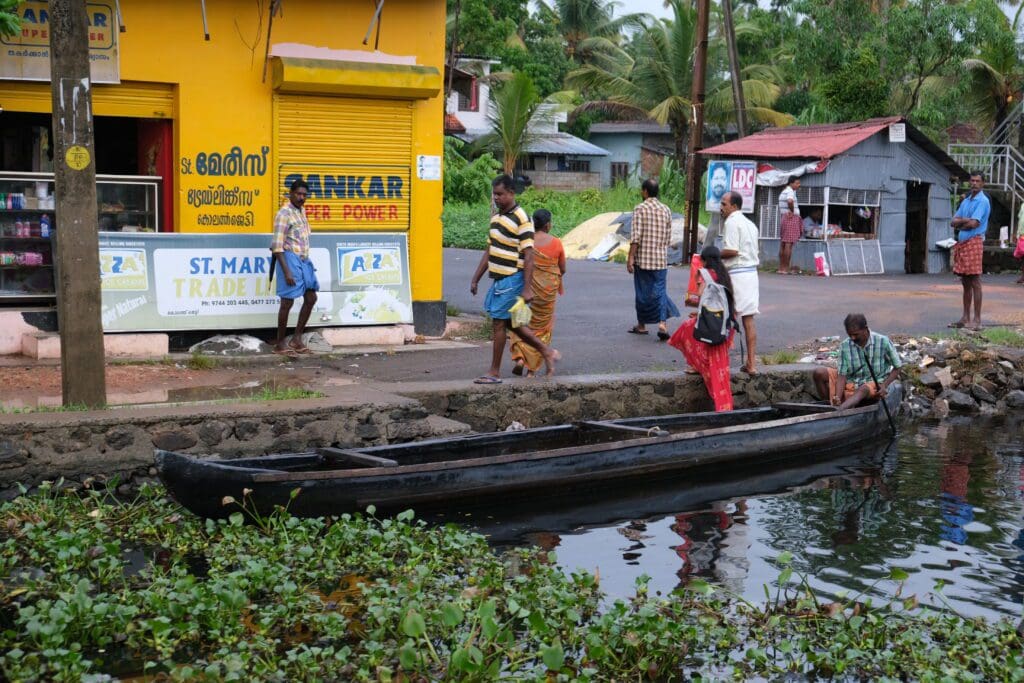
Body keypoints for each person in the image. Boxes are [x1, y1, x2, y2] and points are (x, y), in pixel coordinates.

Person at [470, 174, 559, 383]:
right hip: (499, 279)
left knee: (499, 323)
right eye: (494, 194)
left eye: (500, 194)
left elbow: (529, 255)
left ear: (511, 193)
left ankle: (494, 372)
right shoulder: (496, 219)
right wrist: (476, 278)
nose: (497, 198)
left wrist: (527, 288)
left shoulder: (522, 218)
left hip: (512, 278)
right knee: (513, 324)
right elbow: (490, 249)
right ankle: (546, 351)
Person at [668, 245, 736, 411]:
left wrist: (697, 314)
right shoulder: (725, 275)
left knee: (685, 329)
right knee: (719, 372)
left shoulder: (704, 275)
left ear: (704, 261)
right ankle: (725, 407)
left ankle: (695, 365)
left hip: (710, 327)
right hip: (726, 328)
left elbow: (699, 299)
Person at [509, 208, 566, 377]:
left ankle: (520, 357)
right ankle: (531, 370)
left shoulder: (527, 242)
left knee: (521, 323)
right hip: (547, 293)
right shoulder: (556, 243)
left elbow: (519, 265)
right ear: (548, 225)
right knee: (542, 329)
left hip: (527, 290)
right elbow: (562, 268)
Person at [627, 178, 680, 341]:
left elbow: (636, 237)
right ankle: (662, 324)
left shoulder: (640, 209)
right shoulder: (666, 210)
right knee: (659, 292)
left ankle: (642, 325)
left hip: (643, 260)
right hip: (660, 260)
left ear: (645, 191)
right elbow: (667, 237)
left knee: (642, 293)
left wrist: (630, 257)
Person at [812, 313, 901, 410]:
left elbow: (898, 367)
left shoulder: (883, 341)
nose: (853, 338)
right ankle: (830, 406)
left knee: (863, 389)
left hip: (874, 382)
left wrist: (884, 385)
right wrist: (837, 396)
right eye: (850, 335)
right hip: (852, 380)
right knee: (819, 373)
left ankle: (838, 411)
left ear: (865, 329)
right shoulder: (845, 345)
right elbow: (842, 375)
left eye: (856, 334)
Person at [271, 178, 318, 356]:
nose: (301, 197)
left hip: (304, 260)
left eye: (304, 195)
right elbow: (277, 246)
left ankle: (297, 339)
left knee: (311, 298)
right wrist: (287, 270)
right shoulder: (284, 214)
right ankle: (280, 344)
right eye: (298, 194)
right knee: (287, 302)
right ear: (290, 193)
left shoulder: (301, 211)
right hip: (288, 259)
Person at [719, 191, 759, 374]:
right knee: (748, 320)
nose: (721, 208)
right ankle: (751, 363)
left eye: (724, 204)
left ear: (734, 206)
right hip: (751, 274)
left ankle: (719, 362)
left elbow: (732, 251)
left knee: (724, 317)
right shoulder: (751, 224)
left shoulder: (732, 222)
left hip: (736, 274)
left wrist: (713, 254)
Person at [949, 172, 990, 331]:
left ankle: (977, 320)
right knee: (965, 281)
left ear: (982, 184)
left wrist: (962, 222)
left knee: (975, 281)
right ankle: (965, 317)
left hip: (974, 241)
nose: (974, 183)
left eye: (977, 181)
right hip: (963, 242)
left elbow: (974, 224)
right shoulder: (966, 201)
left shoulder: (983, 201)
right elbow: (953, 222)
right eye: (972, 181)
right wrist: (964, 222)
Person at [778, 176, 801, 274]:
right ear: (791, 183)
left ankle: (781, 268)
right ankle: (786, 268)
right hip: (790, 217)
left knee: (783, 243)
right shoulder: (790, 191)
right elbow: (790, 201)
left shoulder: (784, 191)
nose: (798, 185)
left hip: (784, 217)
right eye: (797, 183)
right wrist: (792, 210)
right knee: (789, 243)